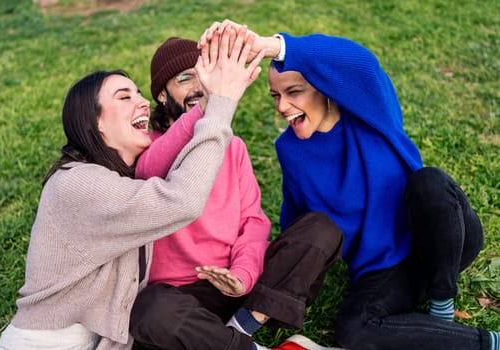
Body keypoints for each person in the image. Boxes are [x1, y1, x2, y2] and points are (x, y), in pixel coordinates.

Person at [199, 20, 500, 350]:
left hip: (444, 243)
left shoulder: (372, 116)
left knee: (429, 182)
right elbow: (298, 224)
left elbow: (360, 61)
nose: (282, 106)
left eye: (294, 92)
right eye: (276, 96)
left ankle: (442, 309)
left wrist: (274, 46)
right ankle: (488, 343)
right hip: (384, 270)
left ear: (326, 89)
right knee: (354, 330)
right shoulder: (290, 150)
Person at [0, 24, 264, 350]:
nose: (143, 103)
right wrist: (219, 103)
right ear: (94, 122)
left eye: (139, 94)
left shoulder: (120, 180)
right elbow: (182, 201)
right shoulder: (77, 183)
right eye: (125, 96)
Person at [128, 27, 344, 350]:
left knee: (321, 230)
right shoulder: (148, 147)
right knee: (148, 310)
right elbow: (149, 170)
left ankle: (241, 326)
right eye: (187, 78)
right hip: (180, 295)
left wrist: (242, 275)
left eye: (205, 75)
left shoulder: (234, 147)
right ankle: (246, 346)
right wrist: (211, 106)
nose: (200, 85)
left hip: (240, 287)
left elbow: (253, 222)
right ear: (162, 94)